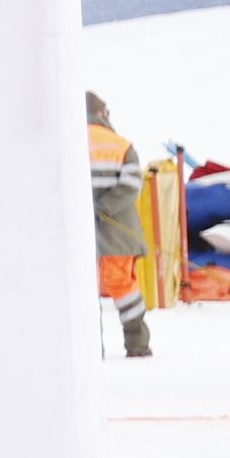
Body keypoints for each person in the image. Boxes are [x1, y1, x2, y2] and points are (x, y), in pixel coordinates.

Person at [87, 93, 154, 358]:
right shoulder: (121, 146)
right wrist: (105, 208)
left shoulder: (66, 143)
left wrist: (86, 210)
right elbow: (131, 186)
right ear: (103, 113)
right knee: (125, 290)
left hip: (79, 236)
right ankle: (137, 344)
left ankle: (91, 350)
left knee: (83, 293)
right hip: (118, 235)